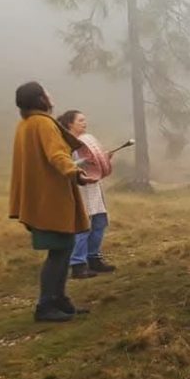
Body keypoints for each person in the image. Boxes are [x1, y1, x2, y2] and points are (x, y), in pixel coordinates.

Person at [8, 82, 95, 322]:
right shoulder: (43, 123)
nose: (50, 94)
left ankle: (59, 300)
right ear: (39, 98)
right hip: (50, 199)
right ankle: (46, 305)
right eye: (46, 92)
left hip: (39, 198)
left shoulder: (25, 124)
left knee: (64, 248)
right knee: (59, 251)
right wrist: (75, 173)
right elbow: (56, 154)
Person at [57, 110, 115, 279]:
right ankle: (78, 264)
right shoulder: (66, 143)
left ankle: (94, 258)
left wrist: (103, 159)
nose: (84, 123)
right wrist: (86, 160)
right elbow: (66, 164)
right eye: (80, 120)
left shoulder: (87, 141)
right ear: (70, 124)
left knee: (99, 222)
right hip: (79, 188)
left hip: (93, 187)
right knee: (82, 226)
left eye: (84, 120)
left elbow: (94, 165)